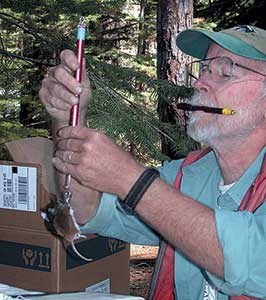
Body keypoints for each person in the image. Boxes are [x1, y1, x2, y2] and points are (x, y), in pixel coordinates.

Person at [39, 24, 266, 299]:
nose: (198, 83)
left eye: (225, 71)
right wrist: (67, 117)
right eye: (204, 69)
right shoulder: (188, 176)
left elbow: (254, 259)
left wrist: (131, 180)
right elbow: (87, 210)